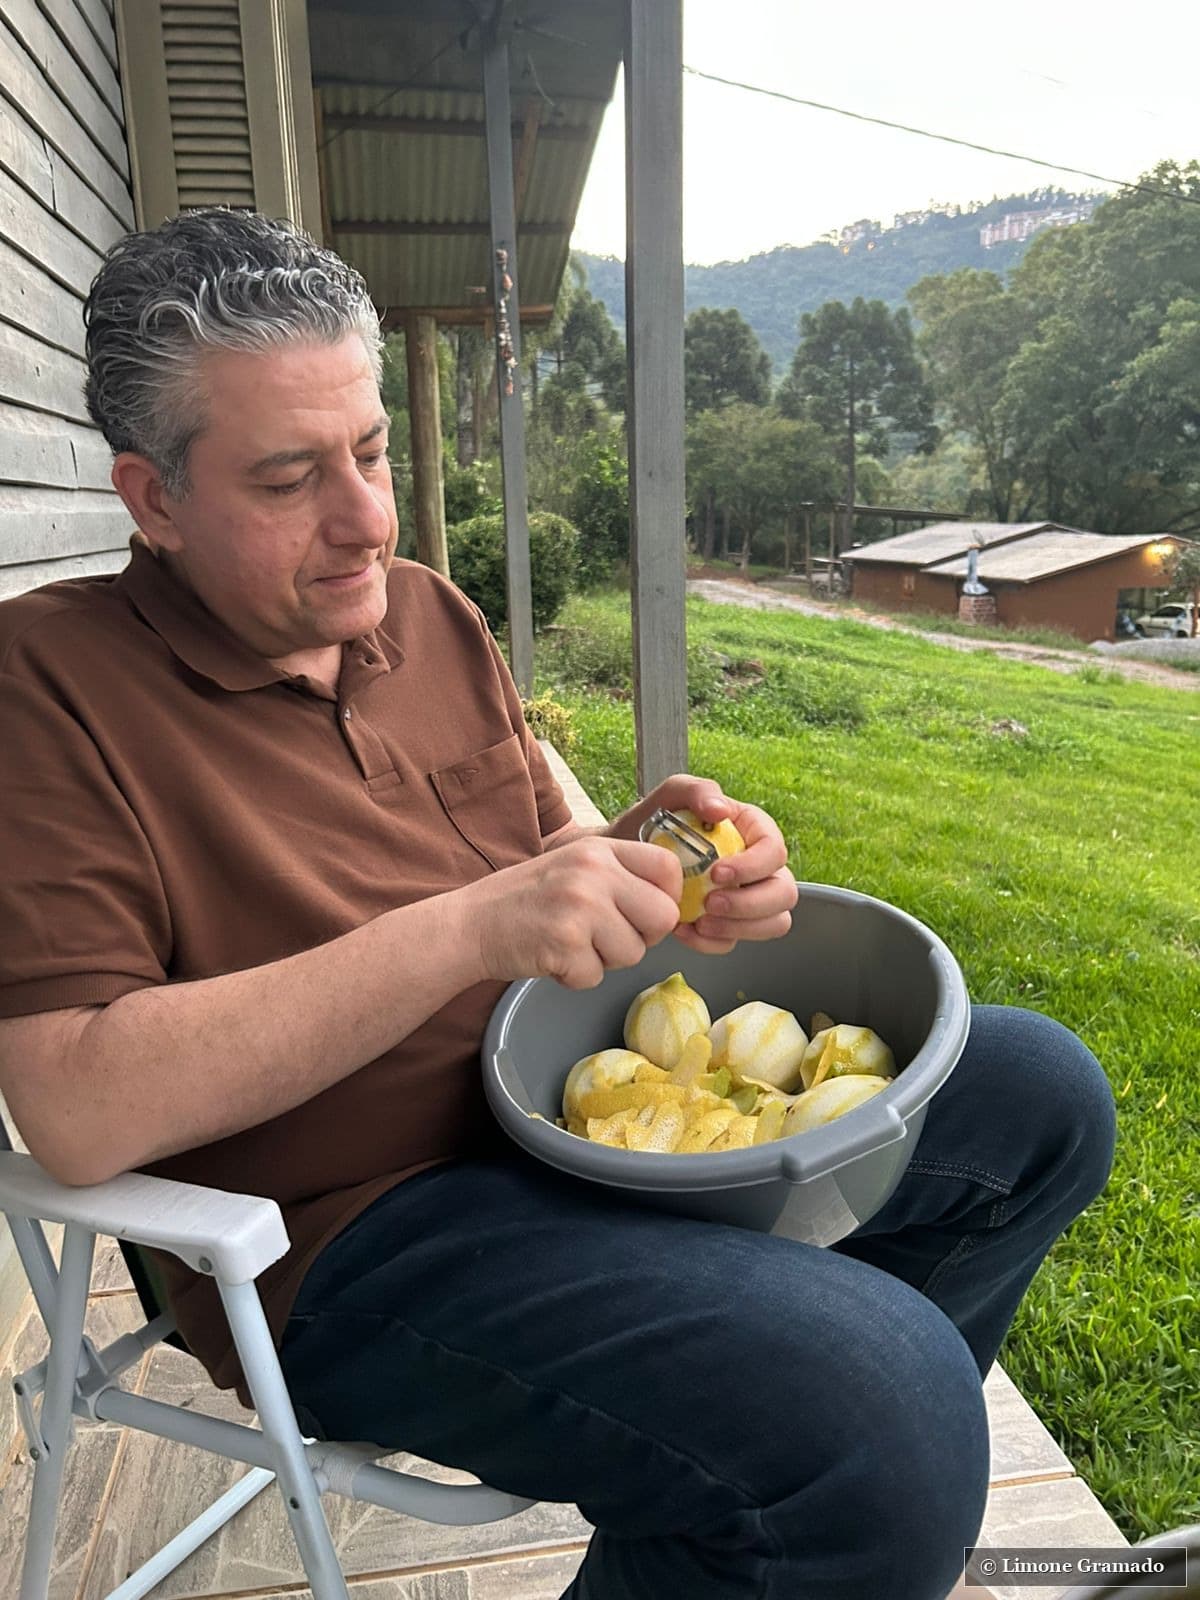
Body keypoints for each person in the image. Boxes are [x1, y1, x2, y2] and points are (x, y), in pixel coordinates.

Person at [0, 210, 1116, 1600]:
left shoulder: (420, 610)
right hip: (357, 1234)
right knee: (878, 1419)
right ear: (150, 499)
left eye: (371, 452)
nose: (367, 520)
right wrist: (468, 931)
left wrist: (681, 873)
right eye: (291, 478)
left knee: (1037, 1094)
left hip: (577, 1123)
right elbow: (77, 1106)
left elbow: (565, 853)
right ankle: (828, 1466)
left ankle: (774, 1512)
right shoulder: (46, 690)